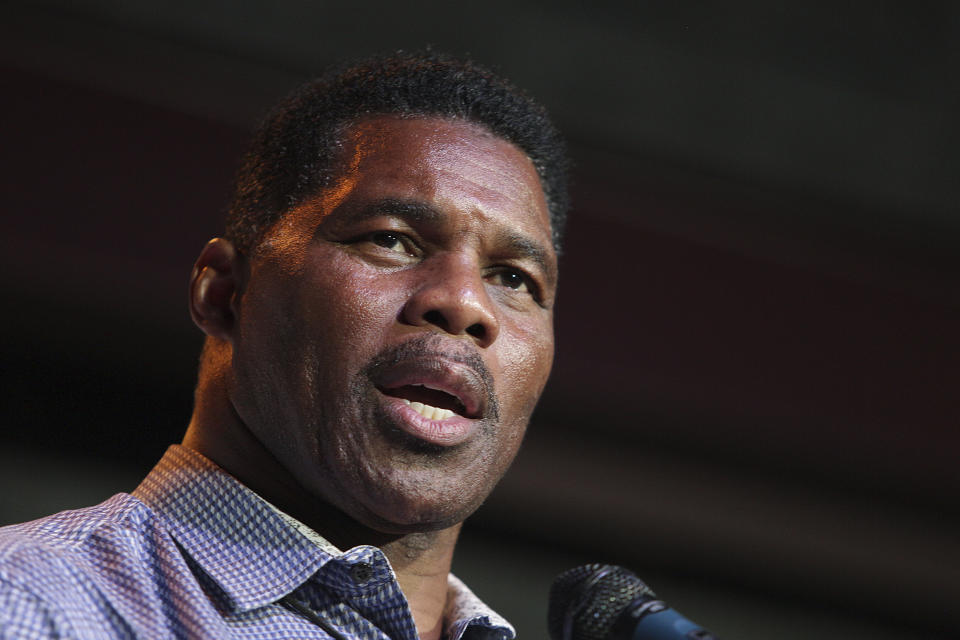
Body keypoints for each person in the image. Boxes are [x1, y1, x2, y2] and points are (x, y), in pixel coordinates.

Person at [0, 51, 569, 639]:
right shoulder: (32, 606)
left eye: (513, 278)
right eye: (391, 240)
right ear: (224, 292)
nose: (466, 303)